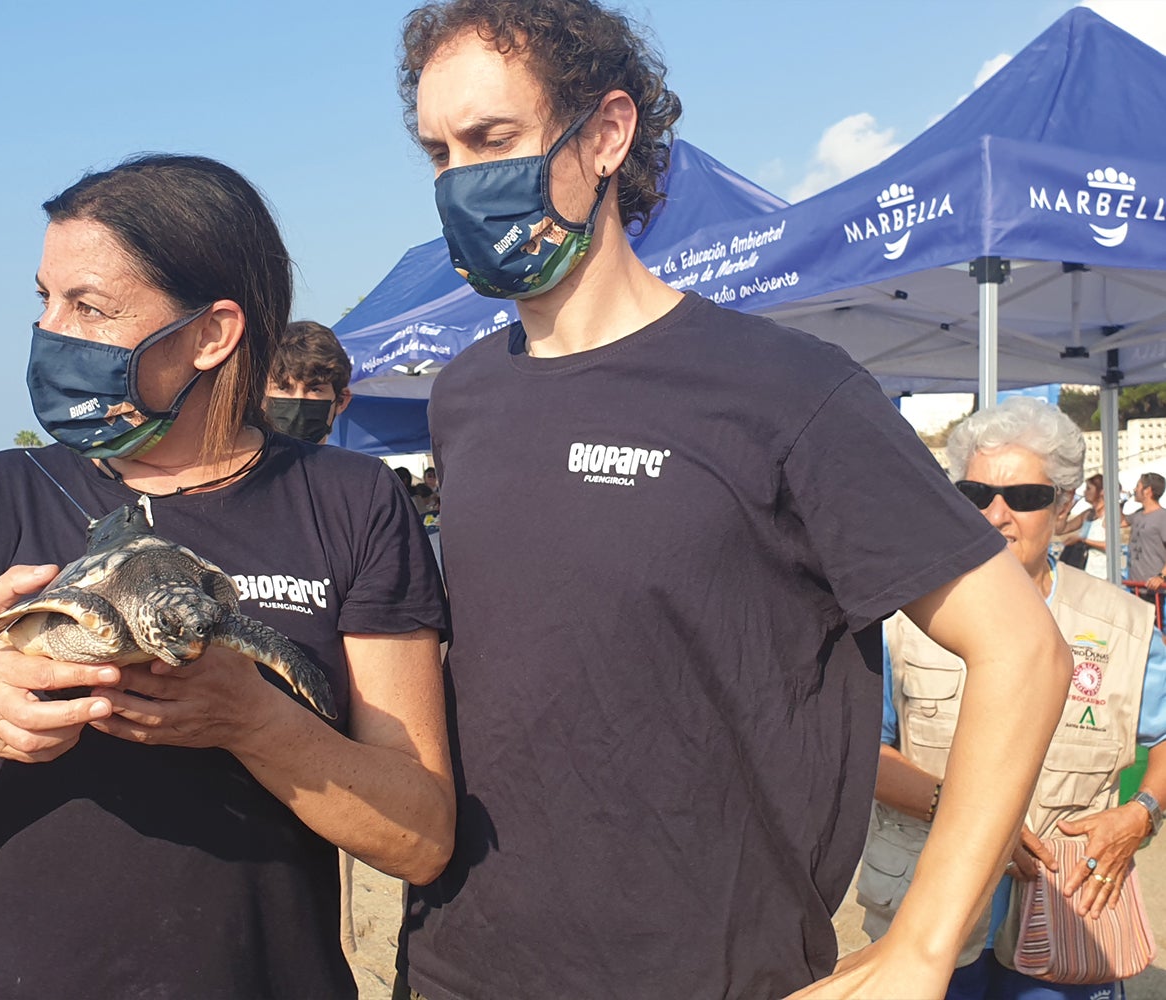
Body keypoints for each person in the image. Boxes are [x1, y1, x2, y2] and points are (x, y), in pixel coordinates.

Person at [392, 3, 1073, 998]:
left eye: (492, 139)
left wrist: (925, 942)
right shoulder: (464, 397)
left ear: (608, 134)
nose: (460, 179)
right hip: (462, 966)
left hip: (706, 969)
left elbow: (1024, 647)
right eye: (438, 152)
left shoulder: (787, 389)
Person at [0, 153, 453, 998]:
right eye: (44, 299)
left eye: (89, 306)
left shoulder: (348, 501)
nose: (52, 330)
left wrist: (254, 722)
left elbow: (420, 835)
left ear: (211, 334)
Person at [862, 397, 1165, 1000]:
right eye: (976, 494)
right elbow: (864, 753)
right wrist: (973, 816)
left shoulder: (1126, 626)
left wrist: (1142, 813)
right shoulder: (898, 618)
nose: (997, 515)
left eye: (1025, 498)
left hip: (1071, 913)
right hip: (929, 913)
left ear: (1063, 504)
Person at [264, 320, 354, 444]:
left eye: (314, 390)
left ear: (341, 401)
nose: (298, 401)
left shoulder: (361, 464)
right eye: (282, 388)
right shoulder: (233, 462)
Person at [1129, 473, 1166, 591]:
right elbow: (1119, 522)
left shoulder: (1162, 517)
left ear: (1147, 490)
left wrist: (1161, 577)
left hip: (1152, 590)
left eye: (1137, 486)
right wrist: (1118, 501)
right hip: (1135, 586)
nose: (1134, 490)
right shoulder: (1138, 514)